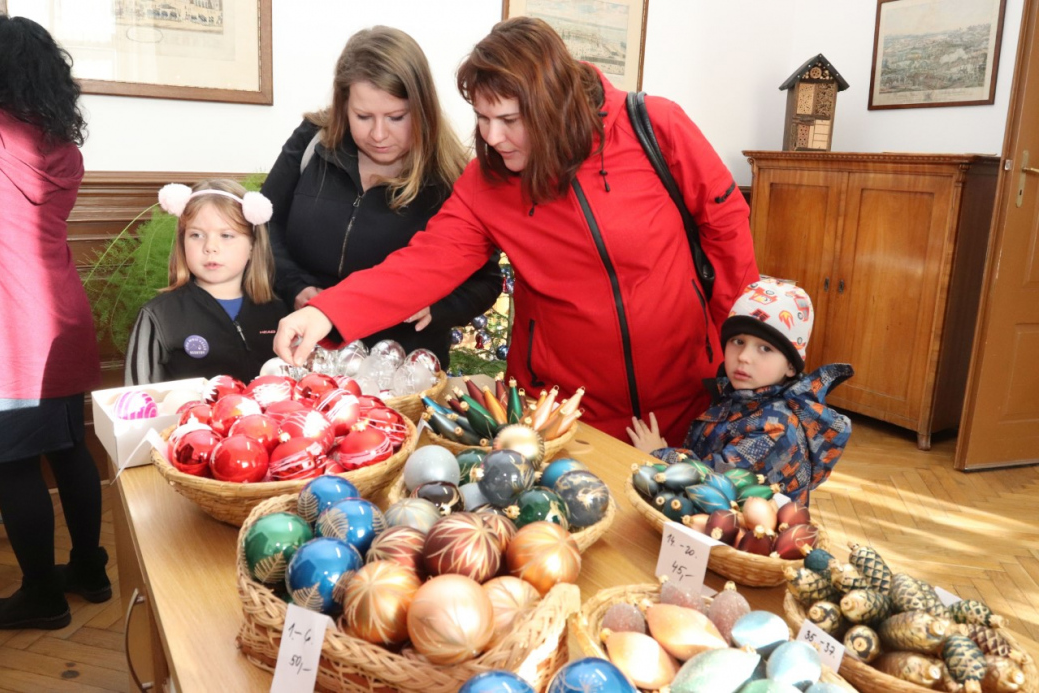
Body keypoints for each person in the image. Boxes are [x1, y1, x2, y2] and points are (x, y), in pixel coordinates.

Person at [273, 17, 759, 444]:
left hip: (690, 398)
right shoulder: (488, 182)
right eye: (482, 118)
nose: (491, 136)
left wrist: (731, 347)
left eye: (509, 119)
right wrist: (327, 313)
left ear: (554, 104)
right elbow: (426, 262)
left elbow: (727, 231)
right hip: (564, 412)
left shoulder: (655, 126)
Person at [261, 26, 502, 367]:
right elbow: (262, 223)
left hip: (401, 371)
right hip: (306, 357)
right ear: (343, 105)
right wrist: (294, 284)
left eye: (396, 117)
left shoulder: (453, 178)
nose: (378, 134)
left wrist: (437, 305)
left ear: (422, 109)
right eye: (363, 117)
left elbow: (486, 280)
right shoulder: (312, 142)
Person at [0, 14, 110, 629]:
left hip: (11, 323)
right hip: (63, 314)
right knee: (70, 451)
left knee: (13, 464)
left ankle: (42, 596)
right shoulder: (61, 147)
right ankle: (91, 571)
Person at [627, 277, 854, 505]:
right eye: (737, 341)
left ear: (791, 366)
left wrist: (658, 453)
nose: (744, 357)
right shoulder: (740, 397)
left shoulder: (776, 428)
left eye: (765, 348)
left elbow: (717, 484)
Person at [124, 179, 288, 385]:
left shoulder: (281, 313)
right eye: (196, 235)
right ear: (182, 242)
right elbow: (138, 400)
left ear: (253, 245)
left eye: (227, 235)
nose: (210, 247)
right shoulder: (158, 316)